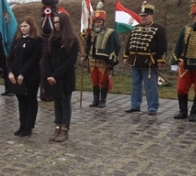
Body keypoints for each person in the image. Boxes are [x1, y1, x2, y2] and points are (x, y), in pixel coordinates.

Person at [123, 2, 168, 115]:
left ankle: (152, 107)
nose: (143, 17)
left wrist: (161, 60)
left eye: (145, 15)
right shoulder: (135, 28)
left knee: (150, 86)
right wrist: (126, 56)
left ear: (151, 16)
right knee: (135, 85)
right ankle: (135, 105)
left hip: (149, 62)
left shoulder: (159, 29)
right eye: (142, 15)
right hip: (135, 61)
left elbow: (163, 46)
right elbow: (129, 44)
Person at [44, 13, 81, 143]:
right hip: (53, 77)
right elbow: (47, 58)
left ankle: (64, 129)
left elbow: (70, 61)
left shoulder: (72, 39)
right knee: (57, 103)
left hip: (65, 77)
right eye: (54, 23)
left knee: (65, 103)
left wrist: (56, 75)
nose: (56, 25)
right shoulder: (52, 39)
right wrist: (49, 74)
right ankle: (57, 127)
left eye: (58, 22)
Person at [8, 16, 43, 137]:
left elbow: (34, 59)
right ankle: (22, 125)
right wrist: (10, 72)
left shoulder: (37, 40)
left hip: (31, 76)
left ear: (31, 27)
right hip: (16, 76)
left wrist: (23, 73)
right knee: (21, 100)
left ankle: (28, 126)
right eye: (21, 26)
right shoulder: (17, 40)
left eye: (25, 26)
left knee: (30, 100)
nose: (23, 28)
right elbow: (11, 57)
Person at [81, 9, 121, 108]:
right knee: (94, 80)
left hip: (103, 62)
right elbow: (88, 45)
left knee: (103, 81)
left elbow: (116, 46)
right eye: (96, 22)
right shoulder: (91, 33)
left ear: (103, 22)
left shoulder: (111, 32)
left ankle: (102, 100)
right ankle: (95, 100)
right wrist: (85, 55)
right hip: (92, 61)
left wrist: (111, 61)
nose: (97, 24)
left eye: (99, 22)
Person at [171, 0, 196, 122]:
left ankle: (194, 112)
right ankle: (183, 111)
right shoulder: (186, 29)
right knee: (181, 88)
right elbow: (178, 46)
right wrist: (174, 62)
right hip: (185, 64)